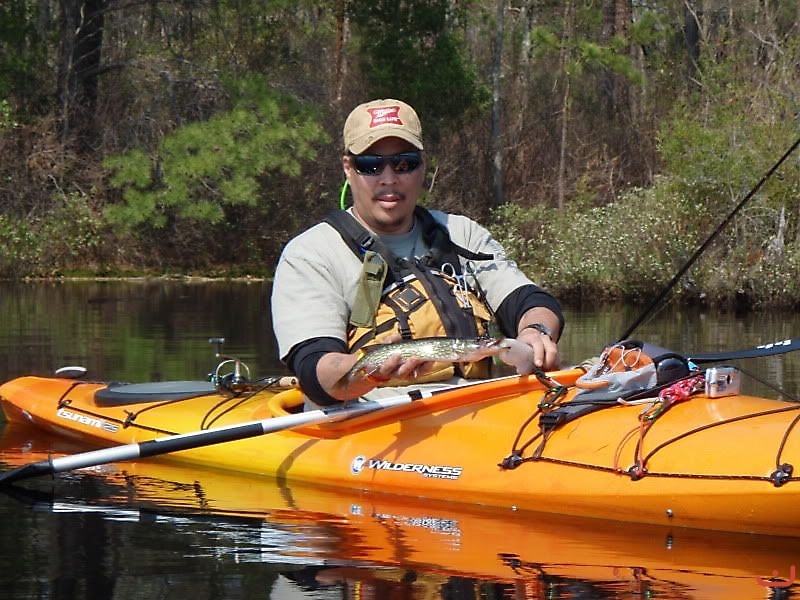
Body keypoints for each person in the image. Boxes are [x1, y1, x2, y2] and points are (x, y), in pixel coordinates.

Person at [271, 98, 563, 408]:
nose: (388, 178)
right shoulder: (310, 254)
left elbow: (529, 300)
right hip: (369, 421)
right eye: (370, 165)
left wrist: (536, 331)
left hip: (478, 411)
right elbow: (314, 367)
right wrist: (369, 372)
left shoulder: (462, 234)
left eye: (403, 163)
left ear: (422, 165)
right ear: (348, 168)